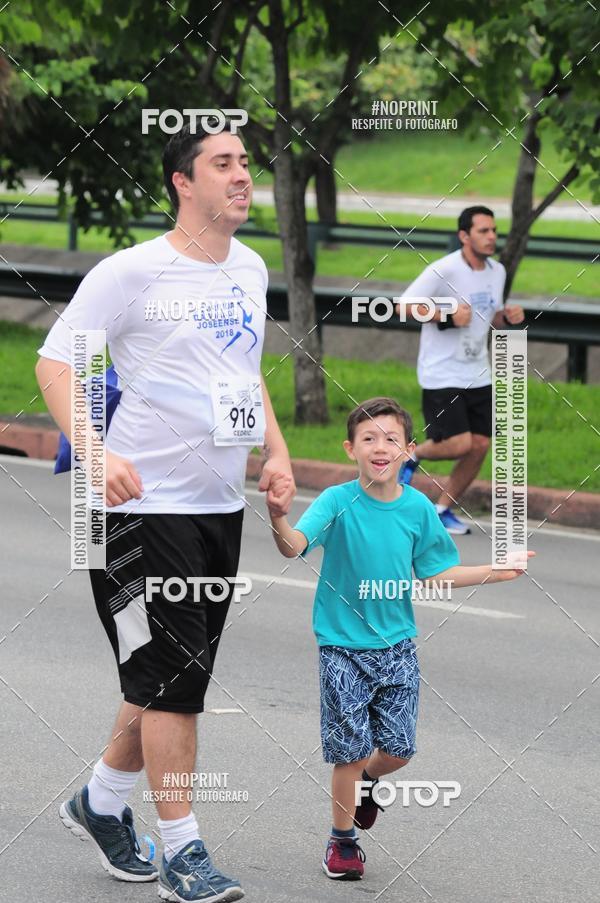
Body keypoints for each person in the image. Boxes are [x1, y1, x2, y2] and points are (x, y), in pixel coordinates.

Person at [35, 123, 295, 903]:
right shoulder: (133, 272)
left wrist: (276, 454)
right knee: (174, 680)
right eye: (224, 163)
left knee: (163, 674)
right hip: (141, 511)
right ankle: (184, 852)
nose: (243, 175)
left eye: (246, 163)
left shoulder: (248, 267)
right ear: (183, 182)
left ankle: (101, 803)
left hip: (220, 506)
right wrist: (93, 449)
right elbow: (58, 362)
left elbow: (245, 376)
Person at [267, 396, 533, 881]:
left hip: (397, 646)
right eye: (368, 438)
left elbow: (438, 571)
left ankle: (367, 782)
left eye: (391, 438)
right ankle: (342, 843)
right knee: (347, 751)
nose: (380, 446)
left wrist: (496, 571)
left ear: (409, 450)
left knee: (398, 749)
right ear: (351, 449)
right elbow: (294, 548)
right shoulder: (335, 501)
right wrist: (278, 517)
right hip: (340, 646)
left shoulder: (417, 509)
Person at [396, 206, 524, 534]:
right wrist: (447, 316)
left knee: (480, 445)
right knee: (459, 443)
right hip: (442, 372)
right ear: (464, 236)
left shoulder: (497, 271)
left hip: (478, 371)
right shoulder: (444, 270)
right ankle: (410, 454)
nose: (492, 237)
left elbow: (488, 315)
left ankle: (442, 510)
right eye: (483, 231)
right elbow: (403, 306)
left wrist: (505, 318)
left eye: (494, 230)